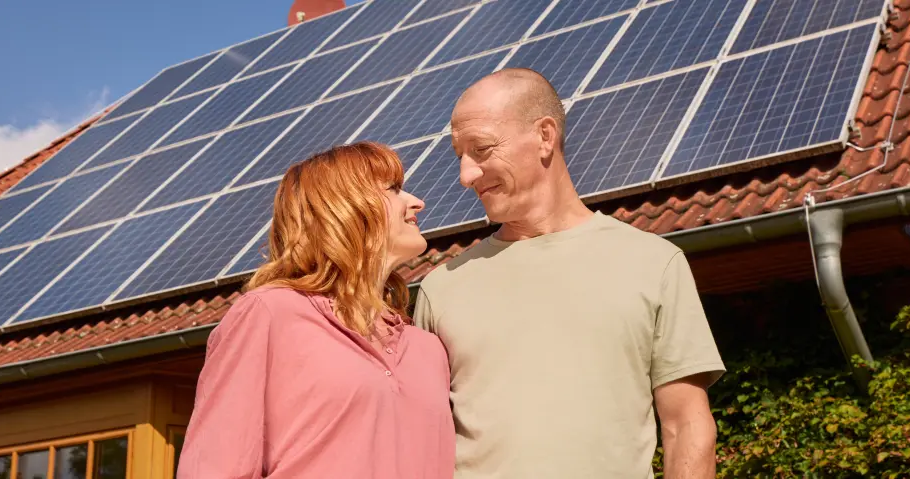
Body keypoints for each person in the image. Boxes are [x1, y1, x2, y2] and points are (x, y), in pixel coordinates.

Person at [413, 68, 726, 479]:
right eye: (460, 157)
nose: (466, 175)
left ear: (545, 136)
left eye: (482, 149)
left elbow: (687, 426)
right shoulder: (442, 288)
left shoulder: (653, 263)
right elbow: (421, 442)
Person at [177, 142, 453, 478]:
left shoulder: (429, 348)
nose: (416, 202)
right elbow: (216, 467)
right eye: (393, 189)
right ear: (343, 207)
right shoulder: (270, 313)